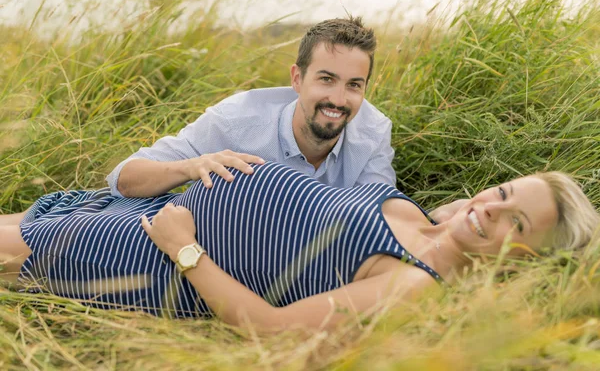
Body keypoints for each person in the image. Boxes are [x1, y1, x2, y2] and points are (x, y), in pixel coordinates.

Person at [0, 162, 598, 332]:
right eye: (499, 192)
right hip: (154, 207)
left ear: (526, 261)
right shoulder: (421, 219)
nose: (489, 208)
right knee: (22, 218)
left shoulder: (414, 282)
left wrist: (185, 249)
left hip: (151, 254)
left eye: (516, 224)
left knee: (14, 246)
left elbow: (274, 328)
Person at [106, 16, 397, 198]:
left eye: (354, 85)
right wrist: (192, 166)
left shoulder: (373, 132)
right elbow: (124, 178)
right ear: (297, 79)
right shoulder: (234, 120)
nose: (338, 99)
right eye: (326, 79)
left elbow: (382, 213)